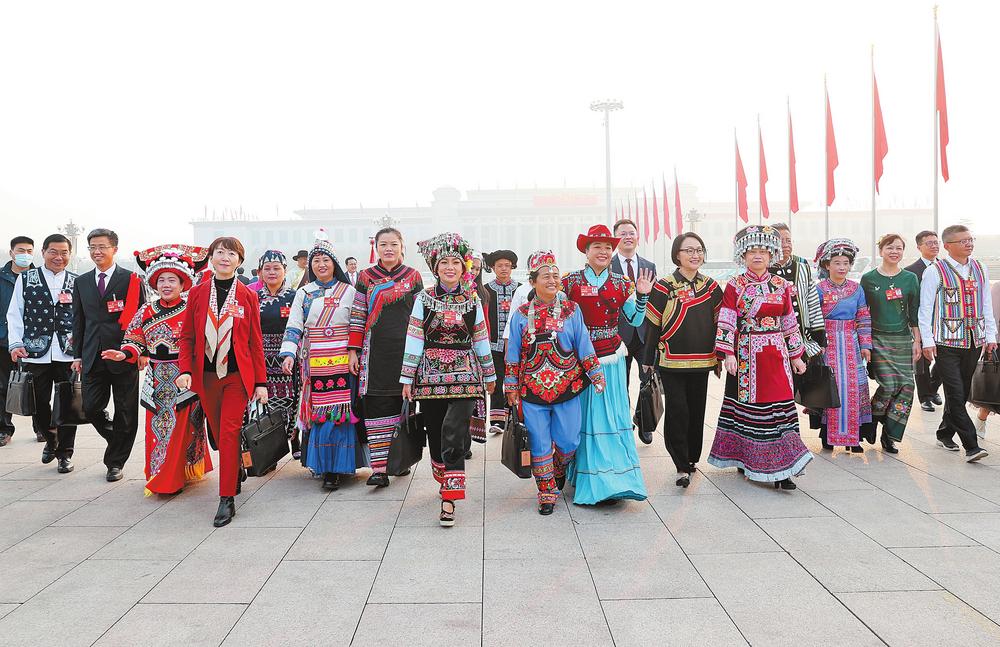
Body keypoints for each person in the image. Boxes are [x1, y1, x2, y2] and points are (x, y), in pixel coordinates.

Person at [400, 233, 495, 527]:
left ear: (464, 267)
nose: (450, 267)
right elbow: (414, 337)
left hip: (466, 374)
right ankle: (444, 480)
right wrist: (407, 378)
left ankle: (450, 497)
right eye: (444, 263)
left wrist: (490, 374)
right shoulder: (424, 298)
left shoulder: (472, 299)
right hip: (430, 376)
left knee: (454, 430)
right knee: (436, 432)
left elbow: (481, 338)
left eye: (455, 262)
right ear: (436, 268)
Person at [101, 246, 213, 495]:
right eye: (161, 280)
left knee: (184, 429)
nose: (166, 285)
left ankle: (179, 474)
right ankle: (163, 476)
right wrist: (125, 353)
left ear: (183, 283)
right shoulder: (146, 310)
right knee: (160, 431)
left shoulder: (192, 308)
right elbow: (134, 338)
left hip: (184, 377)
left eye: (172, 280)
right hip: (156, 380)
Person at [708, 226, 811, 490]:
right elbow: (727, 319)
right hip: (746, 355)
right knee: (750, 410)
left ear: (771, 254)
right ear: (743, 255)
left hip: (776, 354)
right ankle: (748, 459)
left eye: (763, 251)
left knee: (782, 407)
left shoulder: (782, 285)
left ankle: (784, 468)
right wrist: (727, 353)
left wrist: (796, 356)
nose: (758, 256)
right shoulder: (735, 285)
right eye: (752, 251)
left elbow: (789, 321)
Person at [176, 236, 268, 527]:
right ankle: (235, 465)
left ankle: (226, 498)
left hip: (236, 377)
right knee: (218, 434)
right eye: (219, 252)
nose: (225, 257)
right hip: (205, 377)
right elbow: (187, 337)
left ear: (239, 261)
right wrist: (185, 370)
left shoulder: (248, 295)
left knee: (229, 432)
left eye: (231, 253)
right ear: (211, 258)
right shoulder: (198, 293)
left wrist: (261, 383)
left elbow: (255, 342)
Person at [504, 250, 605, 514]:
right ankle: (546, 491)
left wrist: (595, 373)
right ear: (533, 281)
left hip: (568, 387)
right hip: (532, 390)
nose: (552, 280)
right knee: (539, 443)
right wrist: (511, 386)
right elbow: (513, 351)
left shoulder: (572, 310)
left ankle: (559, 466)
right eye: (545, 276)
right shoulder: (521, 314)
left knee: (570, 440)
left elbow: (583, 342)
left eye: (555, 276)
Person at [562, 224, 650, 505]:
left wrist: (642, 296)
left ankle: (616, 479)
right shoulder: (569, 282)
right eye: (597, 246)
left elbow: (635, 319)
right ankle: (583, 475)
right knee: (582, 419)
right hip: (579, 362)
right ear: (586, 251)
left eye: (607, 247)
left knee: (612, 417)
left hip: (611, 359)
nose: (603, 251)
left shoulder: (622, 283)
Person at [280, 232, 366, 490]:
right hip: (314, 360)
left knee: (341, 414)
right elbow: (294, 325)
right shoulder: (304, 293)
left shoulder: (349, 291)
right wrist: (289, 353)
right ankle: (326, 467)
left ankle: (339, 466)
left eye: (325, 260)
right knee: (320, 415)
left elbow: (357, 324)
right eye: (316, 261)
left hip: (343, 360)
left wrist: (354, 352)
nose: (321, 265)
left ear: (334, 263)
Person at [642, 233, 723, 488]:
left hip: (703, 360)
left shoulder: (711, 287)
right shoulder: (664, 286)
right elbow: (652, 325)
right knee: (678, 411)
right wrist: (647, 358)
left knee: (697, 411)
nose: (694, 255)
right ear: (677, 254)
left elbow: (720, 324)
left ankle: (691, 458)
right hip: (671, 361)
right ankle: (680, 464)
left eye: (699, 250)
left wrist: (721, 356)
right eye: (689, 250)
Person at [348, 227, 423, 488]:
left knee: (402, 405)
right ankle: (379, 469)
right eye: (383, 244)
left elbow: (420, 316)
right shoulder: (366, 277)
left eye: (393, 244)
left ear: (402, 246)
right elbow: (358, 313)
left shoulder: (413, 276)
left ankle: (400, 459)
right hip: (374, 353)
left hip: (406, 351)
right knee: (376, 406)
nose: (388, 249)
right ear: (376, 248)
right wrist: (353, 350)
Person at [71, 228, 146, 482]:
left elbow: (142, 318)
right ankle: (117, 439)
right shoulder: (81, 282)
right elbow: (78, 321)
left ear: (114, 249)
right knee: (91, 407)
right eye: (92, 247)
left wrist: (142, 352)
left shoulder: (131, 280)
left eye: (102, 247)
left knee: (125, 411)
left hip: (124, 355)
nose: (97, 252)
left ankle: (115, 462)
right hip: (92, 354)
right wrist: (77, 355)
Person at [918, 224, 994, 462]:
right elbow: (925, 308)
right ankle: (971, 446)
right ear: (948, 246)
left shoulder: (980, 268)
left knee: (961, 393)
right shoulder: (935, 271)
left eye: (970, 239)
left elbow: (986, 304)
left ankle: (944, 433)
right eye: (963, 241)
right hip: (946, 342)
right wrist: (927, 341)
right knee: (955, 391)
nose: (969, 244)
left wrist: (991, 336)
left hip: (974, 339)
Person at [6, 234, 78, 473]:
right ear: (44, 252)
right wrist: (15, 344)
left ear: (70, 254)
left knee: (67, 404)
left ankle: (65, 453)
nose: (59, 257)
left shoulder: (77, 281)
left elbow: (83, 317)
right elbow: (15, 313)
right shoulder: (27, 279)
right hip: (35, 351)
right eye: (53, 252)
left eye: (64, 253)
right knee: (37, 403)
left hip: (67, 353)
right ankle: (50, 438)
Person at [860, 234, 921, 454]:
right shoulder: (868, 279)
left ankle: (889, 434)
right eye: (890, 247)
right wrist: (864, 342)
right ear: (881, 251)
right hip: (877, 338)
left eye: (898, 248)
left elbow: (914, 312)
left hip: (903, 339)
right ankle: (872, 420)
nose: (894, 252)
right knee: (888, 385)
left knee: (907, 386)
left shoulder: (910, 279)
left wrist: (917, 341)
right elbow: (862, 312)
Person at [814, 239, 874, 453]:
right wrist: (818, 345)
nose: (842, 267)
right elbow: (814, 320)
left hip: (851, 343)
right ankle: (828, 436)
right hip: (828, 344)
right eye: (837, 263)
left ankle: (853, 438)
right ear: (827, 265)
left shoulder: (856, 289)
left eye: (846, 263)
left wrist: (866, 345)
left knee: (854, 387)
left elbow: (863, 317)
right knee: (832, 388)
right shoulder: (819, 289)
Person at [255, 250, 300, 458]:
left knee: (292, 399)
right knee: (267, 404)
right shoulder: (254, 297)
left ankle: (295, 440)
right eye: (267, 268)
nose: (272, 272)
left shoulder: (295, 297)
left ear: (285, 270)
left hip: (288, 359)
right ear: (260, 272)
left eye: (276, 268)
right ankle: (271, 449)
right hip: (262, 359)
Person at [610, 219, 657, 398]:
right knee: (621, 385)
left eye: (631, 233)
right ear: (615, 239)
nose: (628, 237)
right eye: (623, 234)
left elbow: (654, 301)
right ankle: (624, 416)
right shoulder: (608, 266)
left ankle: (643, 415)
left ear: (637, 237)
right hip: (618, 336)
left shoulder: (649, 266)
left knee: (649, 384)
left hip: (645, 335)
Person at [769, 223, 826, 358]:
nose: (785, 245)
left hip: (803, 340)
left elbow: (812, 303)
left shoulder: (802, 267)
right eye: (780, 241)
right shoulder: (763, 270)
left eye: (788, 241)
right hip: (773, 342)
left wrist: (819, 339)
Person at [0, 235, 34, 446]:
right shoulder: (1, 277)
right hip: (3, 340)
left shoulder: (38, 277)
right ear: (11, 253)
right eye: (21, 251)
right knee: (2, 386)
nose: (25, 255)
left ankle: (43, 428)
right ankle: (4, 429)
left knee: (38, 385)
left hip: (34, 341)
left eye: (29, 251)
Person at [482, 249, 521, 433]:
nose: (504, 269)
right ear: (493, 268)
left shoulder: (520, 289)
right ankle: (497, 421)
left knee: (514, 382)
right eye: (500, 266)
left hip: (516, 345)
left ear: (512, 267)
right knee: (496, 382)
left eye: (507, 265)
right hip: (493, 345)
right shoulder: (486, 290)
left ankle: (513, 417)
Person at [906, 230, 943, 411]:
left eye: (936, 242)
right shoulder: (911, 271)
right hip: (921, 322)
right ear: (919, 247)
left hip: (943, 323)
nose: (934, 246)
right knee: (921, 362)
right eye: (929, 243)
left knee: (944, 360)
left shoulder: (945, 268)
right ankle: (925, 397)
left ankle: (933, 387)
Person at [973, 280, 1000, 438]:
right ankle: (981, 420)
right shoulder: (998, 287)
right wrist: (990, 342)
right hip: (998, 345)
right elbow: (993, 316)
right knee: (993, 389)